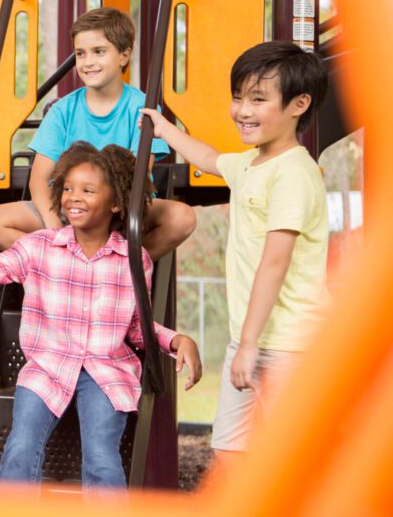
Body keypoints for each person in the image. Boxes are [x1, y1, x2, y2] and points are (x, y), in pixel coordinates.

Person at [0, 142, 202, 490]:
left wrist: (176, 340)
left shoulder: (133, 260)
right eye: (67, 188)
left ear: (115, 203)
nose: (73, 197)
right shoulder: (39, 247)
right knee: (20, 447)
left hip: (106, 370)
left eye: (87, 190)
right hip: (47, 367)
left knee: (101, 457)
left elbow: (133, 326)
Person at [140, 41, 330, 466]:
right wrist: (165, 129)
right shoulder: (250, 164)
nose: (243, 110)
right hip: (248, 339)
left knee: (291, 459)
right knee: (229, 450)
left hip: (291, 344)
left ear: (299, 104)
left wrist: (248, 345)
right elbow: (209, 158)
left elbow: (274, 263)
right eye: (239, 97)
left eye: (258, 99)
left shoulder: (294, 175)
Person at [0, 7, 196, 260]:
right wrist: (57, 231)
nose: (88, 62)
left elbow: (136, 178)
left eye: (99, 52)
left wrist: (108, 215)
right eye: (81, 53)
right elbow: (38, 179)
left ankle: (119, 264)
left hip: (119, 210)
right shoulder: (62, 110)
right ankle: (63, 262)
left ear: (124, 55)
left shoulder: (142, 109)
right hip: (68, 209)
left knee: (183, 217)